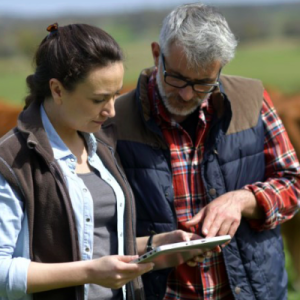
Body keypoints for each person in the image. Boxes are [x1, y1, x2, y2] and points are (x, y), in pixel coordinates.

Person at [103, 3, 300, 300]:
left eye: (203, 83)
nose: (186, 94)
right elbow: (92, 223)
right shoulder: (113, 121)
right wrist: (160, 246)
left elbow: (293, 183)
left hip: (254, 291)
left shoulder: (252, 100)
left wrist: (244, 200)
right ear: (157, 55)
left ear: (220, 67)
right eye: (177, 79)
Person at [0, 23, 204, 300]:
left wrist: (158, 245)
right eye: (98, 99)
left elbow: (95, 245)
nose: (110, 110)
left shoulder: (102, 145)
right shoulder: (11, 160)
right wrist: (89, 273)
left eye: (116, 94)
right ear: (57, 90)